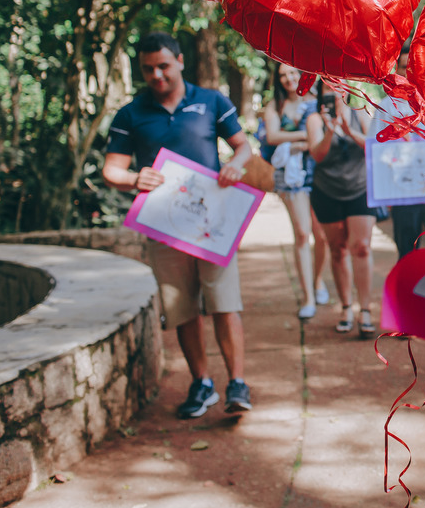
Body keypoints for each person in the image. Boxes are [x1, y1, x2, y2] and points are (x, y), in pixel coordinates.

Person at [102, 31, 255, 418]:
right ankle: (201, 383)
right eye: (148, 69)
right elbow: (111, 170)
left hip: (212, 223)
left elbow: (243, 145)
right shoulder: (130, 113)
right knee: (182, 309)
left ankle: (237, 383)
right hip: (163, 226)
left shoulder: (210, 101)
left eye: (163, 66)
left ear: (180, 61)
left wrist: (236, 164)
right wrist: (134, 178)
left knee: (224, 303)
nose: (156, 75)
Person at [306, 80, 386, 336]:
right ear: (322, 94)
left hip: (360, 189)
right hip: (326, 192)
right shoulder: (315, 120)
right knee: (337, 250)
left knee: (361, 247)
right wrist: (331, 130)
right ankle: (345, 307)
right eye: (328, 89)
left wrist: (348, 131)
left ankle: (365, 309)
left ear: (347, 91)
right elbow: (317, 155)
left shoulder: (361, 113)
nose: (334, 94)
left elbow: (372, 147)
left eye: (337, 88)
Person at [260, 63, 330, 320]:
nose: (289, 78)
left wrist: (304, 140)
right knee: (302, 233)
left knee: (321, 235)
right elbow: (272, 136)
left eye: (292, 73)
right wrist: (307, 136)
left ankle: (318, 280)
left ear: (303, 74)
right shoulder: (275, 106)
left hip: (320, 172)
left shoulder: (319, 100)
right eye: (283, 75)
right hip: (290, 178)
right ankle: (307, 297)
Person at [370, 45, 425, 260]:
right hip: (403, 192)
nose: (410, 73)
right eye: (405, 67)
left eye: (414, 67)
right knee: (407, 253)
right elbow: (376, 152)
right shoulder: (387, 107)